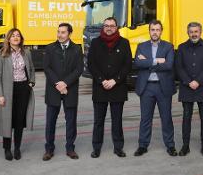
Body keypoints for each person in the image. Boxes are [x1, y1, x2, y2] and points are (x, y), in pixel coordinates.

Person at [87, 17, 132, 158]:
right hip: (100, 88)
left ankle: (118, 147)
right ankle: (96, 148)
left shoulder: (124, 43)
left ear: (116, 27)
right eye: (106, 25)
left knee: (117, 120)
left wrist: (115, 80)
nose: (109, 28)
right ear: (103, 27)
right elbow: (91, 64)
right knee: (98, 121)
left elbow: (127, 65)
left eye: (112, 26)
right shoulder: (95, 43)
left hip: (117, 88)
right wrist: (102, 80)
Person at [134, 20, 177, 157]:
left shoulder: (168, 46)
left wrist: (147, 61)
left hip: (163, 87)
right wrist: (157, 60)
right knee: (145, 118)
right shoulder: (141, 46)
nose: (155, 32)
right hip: (146, 87)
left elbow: (169, 65)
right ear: (149, 31)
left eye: (158, 30)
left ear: (161, 31)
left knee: (166, 118)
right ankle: (143, 145)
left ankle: (170, 145)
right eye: (153, 29)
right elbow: (137, 63)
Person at [42, 23, 84, 161]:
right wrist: (58, 84)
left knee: (71, 121)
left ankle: (70, 148)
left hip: (70, 89)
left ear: (69, 33)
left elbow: (78, 70)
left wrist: (65, 83)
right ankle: (49, 149)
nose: (60, 35)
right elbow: (47, 68)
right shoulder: (50, 48)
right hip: (53, 90)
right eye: (58, 32)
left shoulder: (77, 49)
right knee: (50, 121)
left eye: (63, 32)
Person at [0, 28, 36, 161]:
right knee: (8, 120)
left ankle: (17, 148)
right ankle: (7, 149)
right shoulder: (2, 53)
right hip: (8, 90)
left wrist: (31, 83)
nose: (16, 38)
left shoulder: (26, 52)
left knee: (19, 120)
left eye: (18, 35)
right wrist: (0, 95)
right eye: (13, 36)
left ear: (21, 38)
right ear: (9, 38)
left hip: (23, 88)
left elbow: (31, 69)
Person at [175, 22, 203, 157]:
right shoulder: (181, 48)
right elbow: (179, 67)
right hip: (187, 88)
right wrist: (189, 81)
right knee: (186, 117)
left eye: (196, 31)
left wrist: (198, 81)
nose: (194, 34)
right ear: (188, 32)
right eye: (191, 31)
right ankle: (185, 146)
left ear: (201, 32)